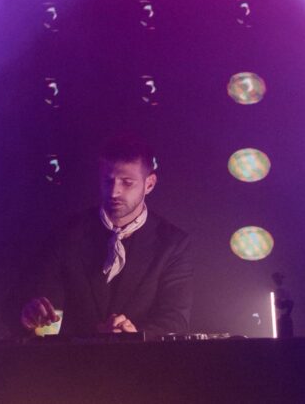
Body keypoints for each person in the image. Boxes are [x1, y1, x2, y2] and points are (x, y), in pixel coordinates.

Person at [18, 135, 193, 337]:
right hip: (74, 356)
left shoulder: (173, 243)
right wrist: (30, 315)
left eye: (127, 183)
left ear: (150, 184)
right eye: (108, 181)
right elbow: (36, 299)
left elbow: (176, 320)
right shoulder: (67, 234)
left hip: (140, 357)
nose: (114, 192)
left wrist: (135, 335)